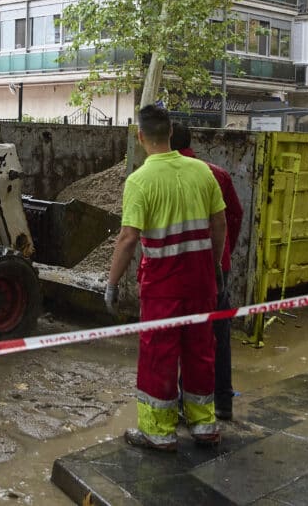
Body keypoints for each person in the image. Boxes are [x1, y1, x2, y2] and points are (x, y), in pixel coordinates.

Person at [105, 104, 226, 451]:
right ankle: (204, 426)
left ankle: (158, 432)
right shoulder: (202, 172)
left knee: (159, 356)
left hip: (162, 288)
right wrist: (215, 266)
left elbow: (128, 238)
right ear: (171, 132)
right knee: (201, 352)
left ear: (140, 137)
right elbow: (219, 223)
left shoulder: (140, 181)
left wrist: (111, 284)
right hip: (200, 282)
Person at [170, 122, 243, 420]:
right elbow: (234, 216)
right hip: (216, 268)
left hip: (180, 269)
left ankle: (185, 404)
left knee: (182, 337)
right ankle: (222, 401)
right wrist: (224, 255)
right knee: (218, 335)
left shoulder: (165, 176)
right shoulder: (217, 174)